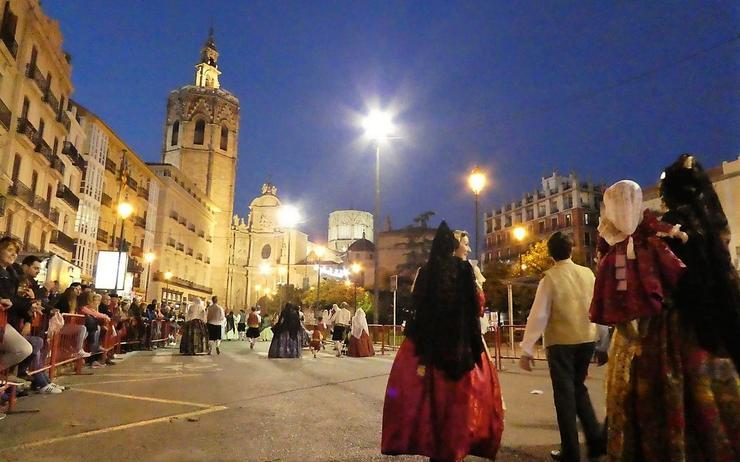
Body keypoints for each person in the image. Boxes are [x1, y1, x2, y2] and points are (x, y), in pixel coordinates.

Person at [604, 155, 740, 461]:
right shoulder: (714, 230)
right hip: (712, 331)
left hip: (668, 335)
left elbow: (646, 284)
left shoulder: (665, 230)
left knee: (662, 408)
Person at [382, 222, 504, 461]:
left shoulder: (427, 272)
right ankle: (454, 450)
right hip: (462, 349)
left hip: (429, 350)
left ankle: (434, 448)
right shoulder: (465, 270)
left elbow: (417, 308)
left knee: (429, 404)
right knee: (459, 405)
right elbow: (473, 309)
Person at [519, 232, 605, 462]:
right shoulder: (587, 273)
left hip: (561, 342)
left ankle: (571, 451)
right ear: (571, 249)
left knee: (565, 396)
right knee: (579, 388)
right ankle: (595, 441)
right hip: (587, 337)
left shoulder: (550, 278)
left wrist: (527, 349)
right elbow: (599, 304)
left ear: (550, 253)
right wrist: (602, 339)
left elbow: (539, 315)